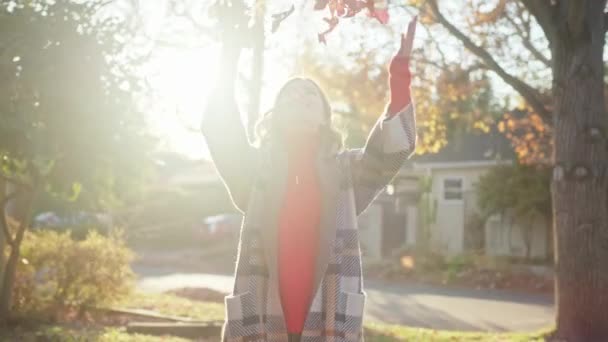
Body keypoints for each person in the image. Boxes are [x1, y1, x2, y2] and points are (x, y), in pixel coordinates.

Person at [202, 14, 418, 342]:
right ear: (275, 115)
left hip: (329, 320)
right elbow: (221, 129)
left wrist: (400, 78)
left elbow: (391, 149)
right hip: (260, 317)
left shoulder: (346, 172)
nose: (299, 96)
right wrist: (228, 59)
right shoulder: (255, 168)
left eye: (310, 94)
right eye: (289, 93)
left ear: (324, 118)